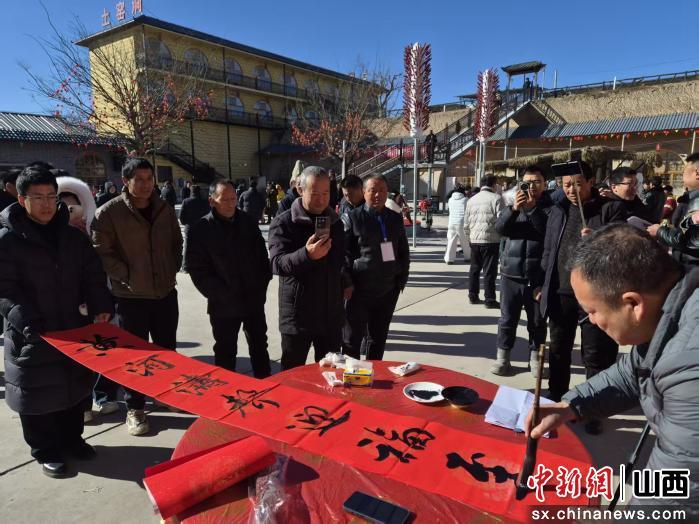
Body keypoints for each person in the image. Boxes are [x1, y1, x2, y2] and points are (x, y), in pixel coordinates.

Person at [526, 224, 699, 515]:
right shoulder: (670, 311)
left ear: (633, 303)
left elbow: (678, 485)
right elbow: (633, 371)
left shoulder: (689, 365)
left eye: (592, 311)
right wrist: (571, 405)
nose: (591, 322)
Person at [0, 165, 113, 478]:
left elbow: (92, 275)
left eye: (51, 196)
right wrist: (27, 321)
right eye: (38, 197)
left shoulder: (72, 236)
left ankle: (73, 439)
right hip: (32, 332)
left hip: (73, 328)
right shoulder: (7, 241)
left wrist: (101, 306)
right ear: (22, 200)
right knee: (37, 393)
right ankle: (45, 450)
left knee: (74, 388)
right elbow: (4, 289)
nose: (47, 204)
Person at [91, 157, 182, 436]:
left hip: (165, 292)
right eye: (139, 179)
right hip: (130, 296)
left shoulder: (164, 208)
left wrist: (172, 267)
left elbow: (176, 242)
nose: (145, 185)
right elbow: (101, 252)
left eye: (149, 179)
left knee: (167, 350)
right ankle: (135, 407)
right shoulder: (109, 213)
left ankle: (164, 395)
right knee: (135, 357)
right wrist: (127, 276)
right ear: (125, 181)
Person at [538, 161, 627, 434]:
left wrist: (598, 238)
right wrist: (541, 283)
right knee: (558, 349)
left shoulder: (610, 208)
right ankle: (557, 396)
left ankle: (593, 408)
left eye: (578, 183)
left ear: (590, 182)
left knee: (596, 354)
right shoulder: (557, 210)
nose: (572, 190)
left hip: (595, 295)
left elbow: (623, 245)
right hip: (561, 292)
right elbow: (548, 249)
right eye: (566, 185)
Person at [185, 179, 272, 377]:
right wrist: (220, 293)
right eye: (224, 199)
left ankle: (265, 384)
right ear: (212, 201)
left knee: (259, 345)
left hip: (253, 300)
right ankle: (226, 390)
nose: (230, 204)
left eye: (233, 199)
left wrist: (261, 286)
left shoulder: (247, 221)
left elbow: (262, 257)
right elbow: (197, 269)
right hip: (223, 304)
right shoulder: (202, 228)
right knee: (225, 351)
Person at [268, 166, 349, 370]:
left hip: (330, 315)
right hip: (298, 317)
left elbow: (341, 260)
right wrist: (307, 255)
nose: (321, 200)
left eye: (326, 193)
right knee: (293, 375)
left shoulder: (336, 223)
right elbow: (276, 263)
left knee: (330, 372)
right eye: (314, 194)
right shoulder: (283, 222)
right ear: (300, 190)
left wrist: (346, 281)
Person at [343, 175, 410, 361]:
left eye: (382, 190)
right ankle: (351, 375)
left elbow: (403, 251)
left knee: (377, 339)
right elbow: (342, 255)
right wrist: (347, 282)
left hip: (387, 290)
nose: (378, 195)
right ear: (364, 192)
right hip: (358, 290)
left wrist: (401, 279)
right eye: (372, 190)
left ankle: (374, 373)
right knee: (351, 340)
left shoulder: (394, 218)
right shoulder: (353, 218)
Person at [491, 166, 550, 376]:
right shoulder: (512, 206)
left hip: (537, 276)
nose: (531, 187)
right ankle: (503, 358)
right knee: (507, 320)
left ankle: (535, 360)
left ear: (544, 184)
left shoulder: (551, 208)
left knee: (537, 322)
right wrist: (514, 209)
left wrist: (533, 209)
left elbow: (547, 232)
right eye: (527, 182)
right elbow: (499, 229)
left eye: (536, 182)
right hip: (511, 274)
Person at [649, 153, 699, 265]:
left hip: (693, 267)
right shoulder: (691, 198)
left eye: (684, 171)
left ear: (697, 173)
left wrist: (659, 231)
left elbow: (692, 241)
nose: (682, 174)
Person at [463, 175, 503, 308]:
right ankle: (489, 299)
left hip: (474, 240)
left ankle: (472, 296)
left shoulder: (471, 200)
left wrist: (469, 237)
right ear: (494, 184)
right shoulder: (497, 198)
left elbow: (466, 222)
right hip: (491, 240)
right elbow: (501, 221)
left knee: (474, 269)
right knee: (489, 271)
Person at [179, 184, 210, 270]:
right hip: (202, 228)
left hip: (190, 228)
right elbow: (209, 215)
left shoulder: (186, 201)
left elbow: (181, 217)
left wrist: (185, 223)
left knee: (187, 247)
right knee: (202, 247)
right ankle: (202, 264)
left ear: (191, 192)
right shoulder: (205, 202)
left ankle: (185, 266)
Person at [444, 185, 469, 264]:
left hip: (452, 222)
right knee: (465, 241)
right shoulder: (465, 200)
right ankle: (468, 257)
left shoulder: (450, 200)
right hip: (462, 223)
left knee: (451, 241)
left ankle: (449, 259)